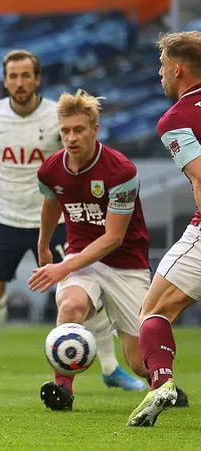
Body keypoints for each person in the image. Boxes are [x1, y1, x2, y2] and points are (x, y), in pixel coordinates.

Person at [0, 50, 146, 392]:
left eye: (26, 75)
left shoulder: (58, 115)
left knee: (84, 293)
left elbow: (86, 158)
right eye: (13, 76)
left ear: (37, 79)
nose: (20, 82)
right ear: (5, 80)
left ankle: (111, 367)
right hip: (7, 218)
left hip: (58, 220)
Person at [29, 90, 157, 410]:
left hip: (126, 264)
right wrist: (44, 246)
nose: (71, 138)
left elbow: (114, 237)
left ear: (95, 129)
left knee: (141, 364)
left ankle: (165, 386)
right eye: (65, 131)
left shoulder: (121, 171)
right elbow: (50, 204)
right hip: (82, 257)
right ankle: (63, 390)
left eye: (79, 130)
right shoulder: (50, 170)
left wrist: (62, 267)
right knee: (70, 307)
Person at [127, 31, 201, 427]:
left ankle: (162, 382)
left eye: (161, 67)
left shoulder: (175, 119)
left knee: (154, 311)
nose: (159, 75)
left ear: (178, 70)